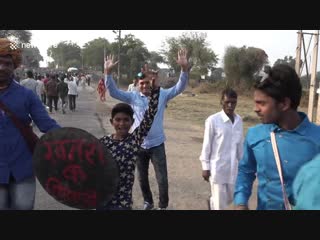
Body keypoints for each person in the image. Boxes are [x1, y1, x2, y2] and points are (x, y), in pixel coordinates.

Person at [105, 49, 190, 210]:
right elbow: (113, 92)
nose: (144, 85)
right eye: (141, 83)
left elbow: (179, 87)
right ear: (137, 85)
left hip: (157, 144)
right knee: (142, 178)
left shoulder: (163, 94)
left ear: (153, 81)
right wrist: (107, 73)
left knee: (162, 179)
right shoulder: (133, 97)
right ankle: (148, 202)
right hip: (139, 145)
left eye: (147, 82)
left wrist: (184, 69)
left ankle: (163, 206)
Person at [234, 64, 320, 210]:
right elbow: (245, 171)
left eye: (261, 103)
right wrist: (241, 201)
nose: (255, 109)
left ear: (284, 104)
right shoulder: (255, 135)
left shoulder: (317, 139)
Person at [0, 38, 60, 210]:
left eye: (7, 63)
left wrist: (76, 144)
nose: (2, 67)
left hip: (22, 167)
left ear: (15, 66)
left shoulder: (26, 95)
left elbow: (47, 125)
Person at [98, 55, 160, 210]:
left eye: (126, 120)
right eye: (118, 120)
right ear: (111, 122)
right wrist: (108, 73)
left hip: (122, 204)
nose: (122, 123)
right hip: (101, 201)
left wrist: (155, 88)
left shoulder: (133, 141)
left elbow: (150, 114)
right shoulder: (102, 143)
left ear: (132, 123)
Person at [199, 88, 243, 210]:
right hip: (217, 168)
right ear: (221, 102)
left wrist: (243, 164)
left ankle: (212, 202)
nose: (230, 105)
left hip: (233, 169)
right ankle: (214, 203)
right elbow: (206, 145)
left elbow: (240, 145)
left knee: (229, 198)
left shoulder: (239, 120)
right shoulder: (213, 120)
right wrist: (205, 167)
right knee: (220, 205)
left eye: (233, 102)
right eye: (227, 102)